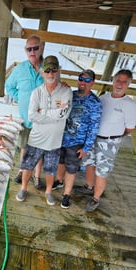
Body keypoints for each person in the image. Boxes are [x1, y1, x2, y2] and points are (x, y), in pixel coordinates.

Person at [15, 55, 73, 205]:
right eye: (47, 70)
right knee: (27, 166)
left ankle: (48, 191)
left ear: (59, 71)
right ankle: (23, 188)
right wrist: (54, 113)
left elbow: (64, 113)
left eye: (54, 69)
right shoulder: (36, 92)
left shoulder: (66, 91)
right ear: (42, 72)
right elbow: (32, 116)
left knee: (50, 169)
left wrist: (43, 112)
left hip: (54, 141)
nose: (51, 73)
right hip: (36, 138)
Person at [82, 69, 136, 212]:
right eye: (118, 80)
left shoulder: (130, 105)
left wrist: (113, 136)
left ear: (129, 84)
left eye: (125, 82)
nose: (120, 84)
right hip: (94, 138)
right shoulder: (104, 98)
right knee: (89, 163)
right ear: (113, 80)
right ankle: (89, 187)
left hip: (110, 142)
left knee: (102, 171)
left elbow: (129, 129)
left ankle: (96, 198)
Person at [53, 69, 103, 209]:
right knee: (60, 162)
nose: (83, 82)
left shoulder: (95, 103)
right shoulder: (70, 95)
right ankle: (59, 180)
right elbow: (57, 104)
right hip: (61, 137)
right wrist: (61, 87)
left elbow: (94, 127)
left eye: (87, 80)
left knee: (72, 169)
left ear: (92, 83)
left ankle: (67, 195)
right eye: (81, 79)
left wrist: (86, 148)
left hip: (77, 143)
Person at [5, 35, 45, 189]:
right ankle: (22, 170)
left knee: (39, 149)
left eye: (36, 48)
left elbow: (56, 86)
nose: (32, 51)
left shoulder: (48, 67)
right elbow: (9, 87)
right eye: (29, 49)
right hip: (25, 117)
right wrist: (19, 98)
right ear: (25, 51)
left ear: (41, 48)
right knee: (24, 146)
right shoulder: (20, 69)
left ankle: (36, 176)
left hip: (42, 119)